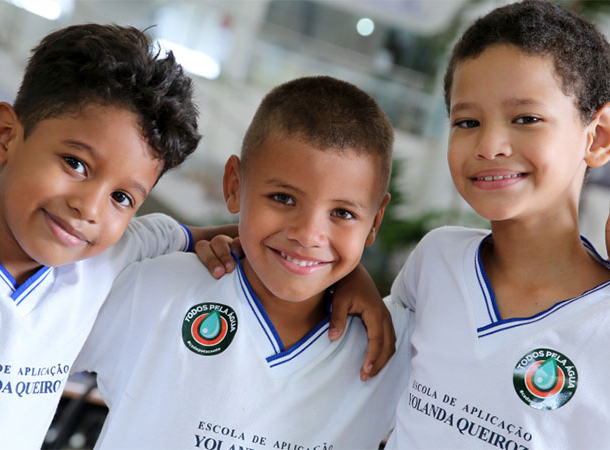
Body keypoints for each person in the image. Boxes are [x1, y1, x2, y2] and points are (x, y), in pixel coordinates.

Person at [0, 24, 395, 450]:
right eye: (75, 163)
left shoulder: (111, 257)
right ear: (4, 135)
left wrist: (350, 277)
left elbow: (243, 240)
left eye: (124, 198)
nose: (89, 207)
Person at [385, 1, 610, 448]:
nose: (489, 145)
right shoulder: (435, 261)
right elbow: (348, 348)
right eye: (467, 121)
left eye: (526, 118)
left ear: (598, 135)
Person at [71, 76, 413, 449]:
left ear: (374, 222)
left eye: (343, 214)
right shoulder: (157, 290)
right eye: (283, 198)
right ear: (234, 185)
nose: (308, 235)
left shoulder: (391, 349)